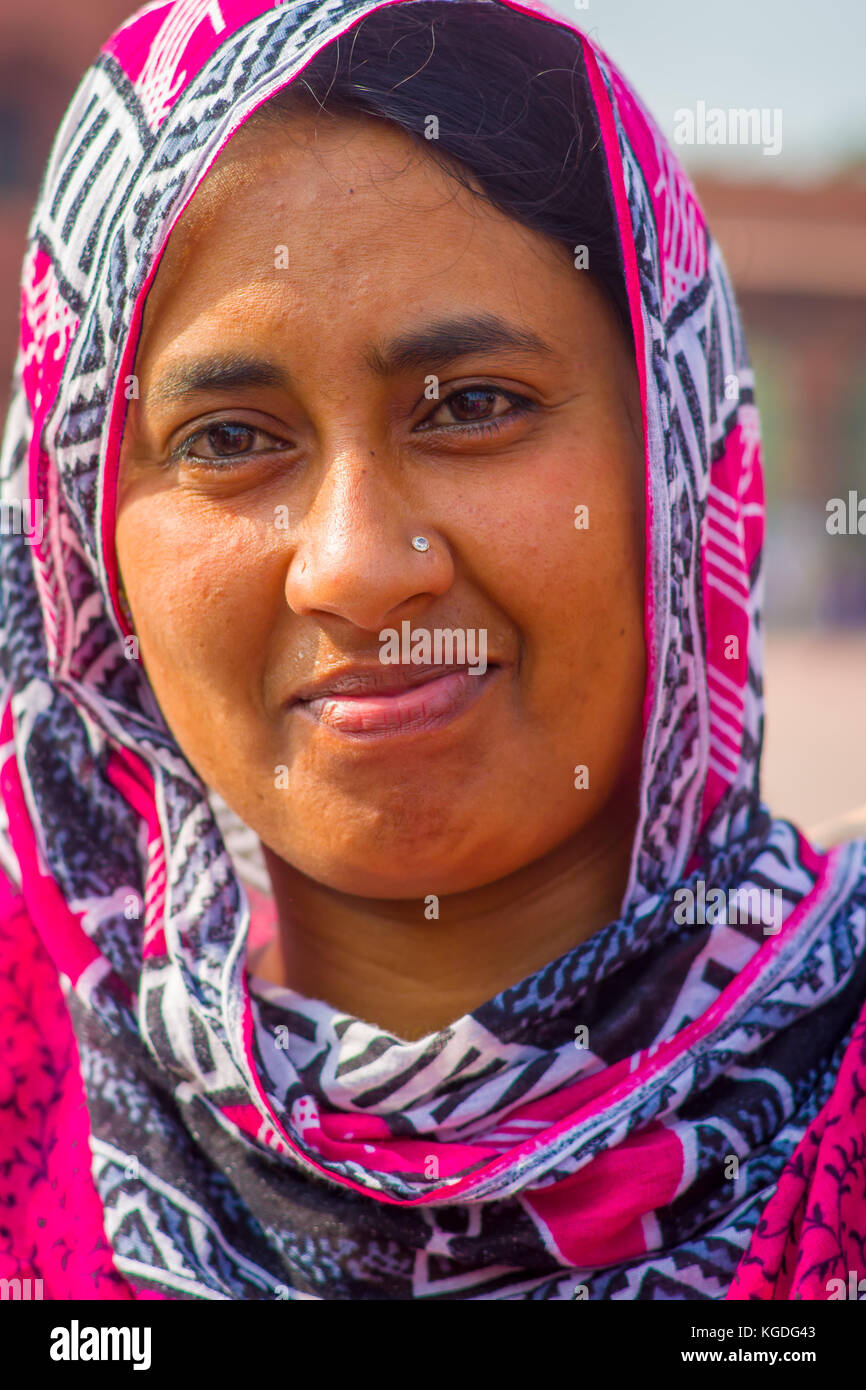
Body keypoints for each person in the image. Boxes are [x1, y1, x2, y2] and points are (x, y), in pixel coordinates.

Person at [0, 0, 864, 1302]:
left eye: (470, 408)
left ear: (674, 461)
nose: (352, 565)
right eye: (230, 437)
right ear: (84, 541)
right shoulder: (30, 1086)